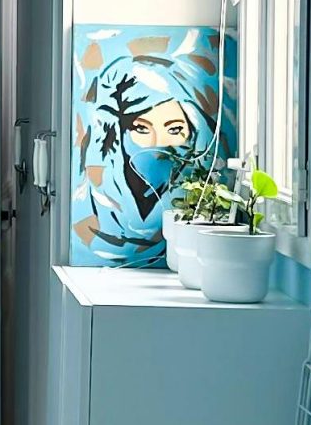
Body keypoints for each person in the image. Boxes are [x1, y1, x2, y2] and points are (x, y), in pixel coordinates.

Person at [75, 34, 221, 267]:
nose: (157, 142)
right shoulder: (97, 209)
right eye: (142, 128)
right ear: (119, 134)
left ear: (193, 132)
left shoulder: (200, 207)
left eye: (174, 129)